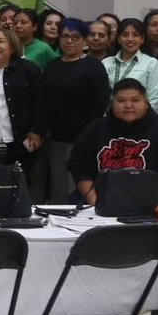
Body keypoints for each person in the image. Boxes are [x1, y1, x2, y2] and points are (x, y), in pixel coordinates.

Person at [70, 79, 158, 205]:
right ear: (112, 103)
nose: (128, 106)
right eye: (121, 100)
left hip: (157, 209)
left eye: (135, 100)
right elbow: (78, 166)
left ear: (146, 102)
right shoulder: (96, 130)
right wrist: (93, 199)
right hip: (101, 207)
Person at [0, 28, 50, 198]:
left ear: (12, 46)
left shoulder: (29, 70)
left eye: (0, 41)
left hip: (20, 139)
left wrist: (37, 130)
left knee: (20, 184)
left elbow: (41, 102)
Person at [42, 19, 110, 201]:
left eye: (75, 37)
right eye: (65, 36)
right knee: (58, 188)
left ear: (84, 40)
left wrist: (90, 133)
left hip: (84, 138)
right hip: (56, 139)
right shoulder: (52, 66)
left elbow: (101, 102)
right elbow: (44, 101)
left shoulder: (94, 66)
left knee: (79, 187)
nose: (69, 41)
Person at [103, 18, 158, 108]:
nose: (130, 39)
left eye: (135, 35)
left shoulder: (152, 64)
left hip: (140, 115)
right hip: (110, 114)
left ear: (142, 39)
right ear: (119, 39)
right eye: (125, 35)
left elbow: (154, 100)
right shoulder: (106, 63)